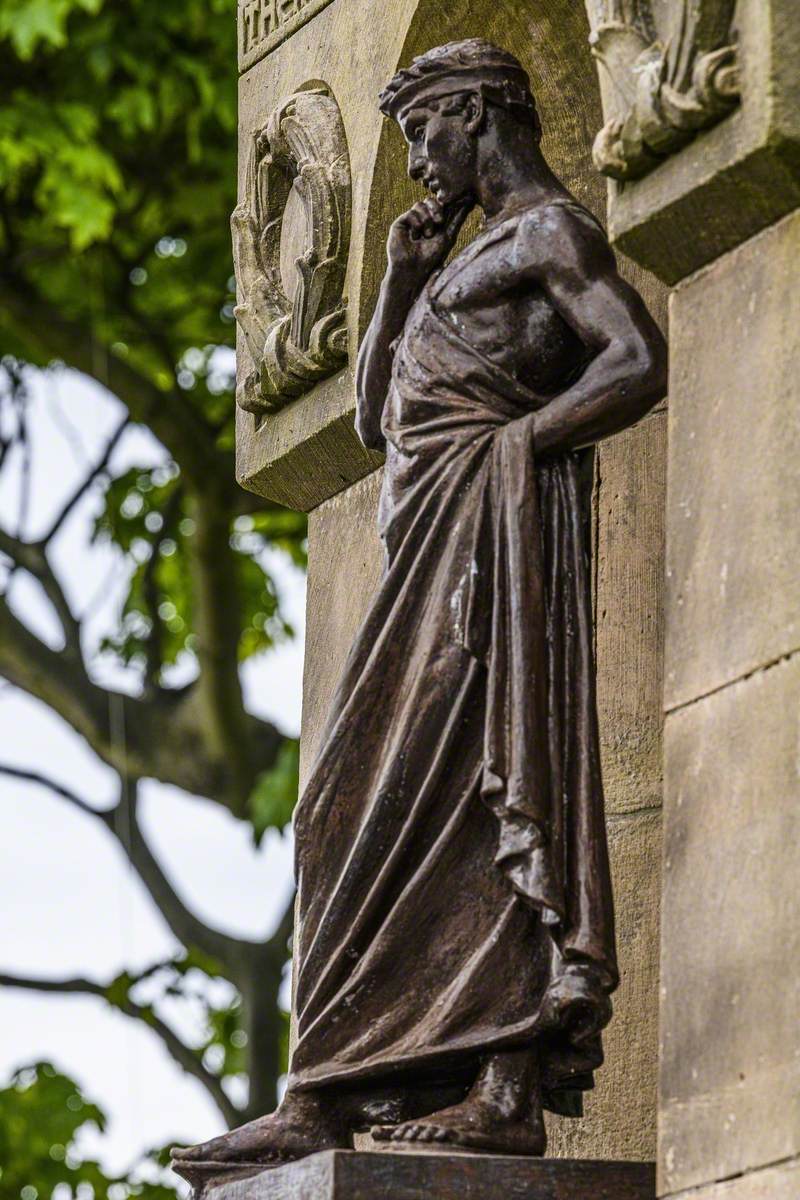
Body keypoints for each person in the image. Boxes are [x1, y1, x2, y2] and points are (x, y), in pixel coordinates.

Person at [173, 38, 666, 1173]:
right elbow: (368, 422)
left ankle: (502, 1082)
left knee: (478, 790)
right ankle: (326, 1088)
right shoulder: (457, 254)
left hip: (488, 548)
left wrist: (515, 448)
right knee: (341, 805)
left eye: (422, 132)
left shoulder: (550, 231)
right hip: (425, 551)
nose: (415, 160)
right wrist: (398, 275)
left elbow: (636, 357)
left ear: (479, 111)